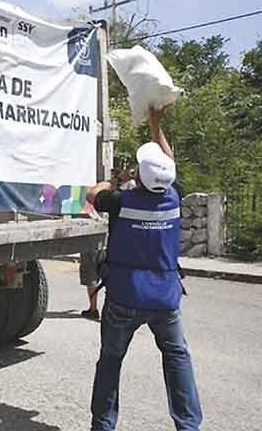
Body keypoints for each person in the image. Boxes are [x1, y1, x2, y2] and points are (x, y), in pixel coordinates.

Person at [87, 107, 202, 431]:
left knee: (111, 360)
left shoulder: (121, 200)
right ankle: (189, 426)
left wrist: (115, 179)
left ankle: (103, 426)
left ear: (138, 174)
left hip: (124, 296)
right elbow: (168, 162)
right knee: (177, 357)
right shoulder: (174, 197)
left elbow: (92, 194)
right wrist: (156, 124)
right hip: (166, 300)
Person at [80, 168, 136, 320]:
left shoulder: (107, 193)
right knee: (109, 275)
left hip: (93, 237)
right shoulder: (130, 193)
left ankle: (93, 308)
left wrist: (115, 181)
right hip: (111, 240)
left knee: (91, 275)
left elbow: (91, 198)